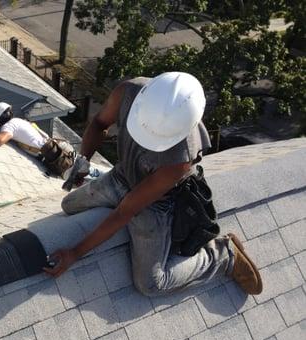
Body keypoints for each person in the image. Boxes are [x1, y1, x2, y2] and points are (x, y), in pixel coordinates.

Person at [45, 72, 263, 296]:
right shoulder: (129, 92)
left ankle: (222, 256)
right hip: (122, 176)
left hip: (155, 205)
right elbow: (100, 123)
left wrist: (75, 253)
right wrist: (84, 159)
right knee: (68, 206)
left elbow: (126, 212)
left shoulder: (181, 156)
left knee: (151, 284)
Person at [0, 102, 100, 178]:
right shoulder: (18, 121)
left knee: (87, 176)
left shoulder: (9, 126)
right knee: (92, 173)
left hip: (56, 158)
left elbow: (0, 140)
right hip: (61, 151)